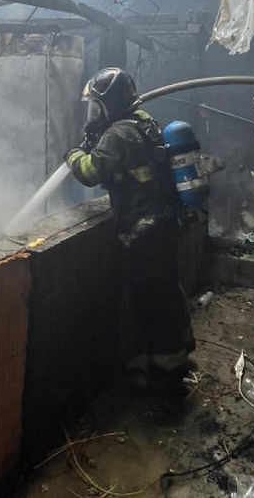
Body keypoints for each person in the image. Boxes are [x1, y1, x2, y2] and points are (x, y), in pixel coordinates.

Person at [65, 67, 195, 393]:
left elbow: (91, 172)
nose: (93, 113)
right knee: (168, 291)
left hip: (143, 232)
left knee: (153, 301)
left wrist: (72, 154)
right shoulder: (144, 122)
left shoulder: (118, 133)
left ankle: (166, 375)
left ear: (109, 103)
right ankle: (179, 353)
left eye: (96, 106)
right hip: (163, 225)